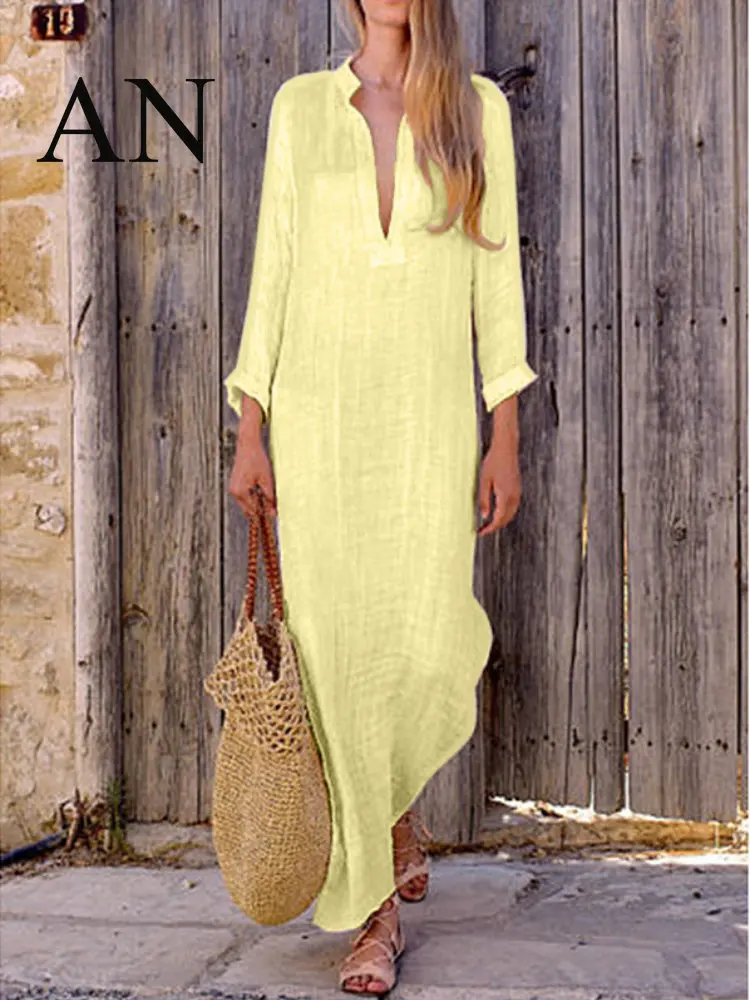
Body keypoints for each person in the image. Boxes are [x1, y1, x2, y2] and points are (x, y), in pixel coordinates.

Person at [225, 0, 538, 993]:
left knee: (419, 634)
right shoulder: (301, 109)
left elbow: (496, 277)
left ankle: (395, 814)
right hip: (317, 423)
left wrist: (503, 433)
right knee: (333, 654)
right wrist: (250, 426)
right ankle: (372, 915)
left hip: (425, 428)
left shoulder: (475, 110)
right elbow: (274, 269)